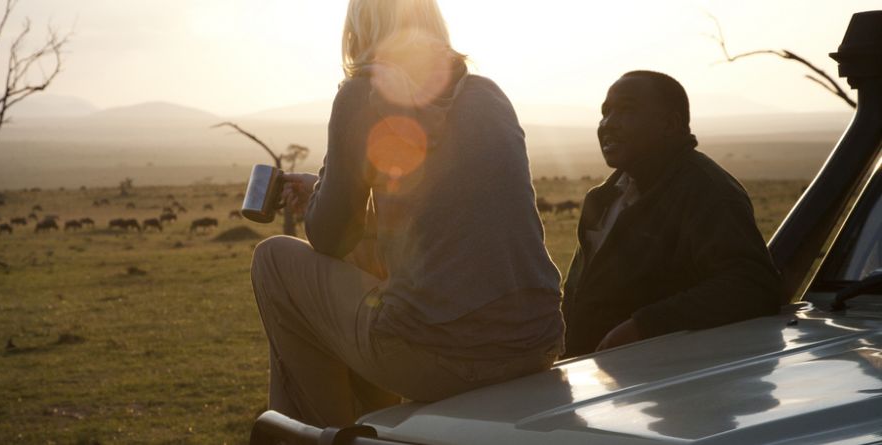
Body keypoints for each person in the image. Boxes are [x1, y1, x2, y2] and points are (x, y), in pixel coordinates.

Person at [250, 0, 565, 427]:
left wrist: (325, 193)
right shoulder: (486, 93)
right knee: (368, 259)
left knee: (273, 261)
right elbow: (439, 219)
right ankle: (369, 424)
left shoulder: (364, 94)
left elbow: (329, 238)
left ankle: (321, 434)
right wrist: (330, 189)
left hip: (443, 357)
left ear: (358, 32)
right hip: (536, 344)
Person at [561, 70, 781, 358]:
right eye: (605, 112)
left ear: (670, 124)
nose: (608, 124)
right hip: (593, 376)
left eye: (627, 110)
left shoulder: (706, 191)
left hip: (664, 382)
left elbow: (752, 285)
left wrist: (643, 326)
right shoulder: (602, 198)